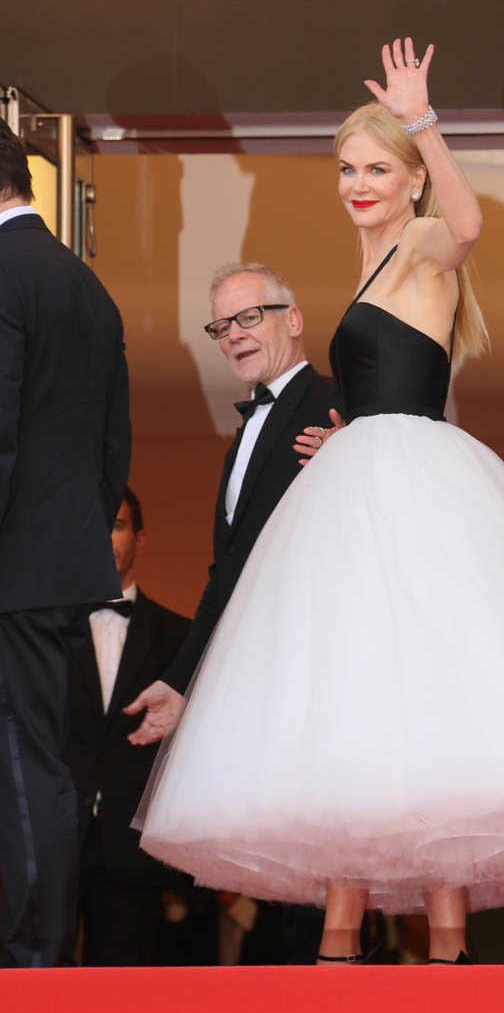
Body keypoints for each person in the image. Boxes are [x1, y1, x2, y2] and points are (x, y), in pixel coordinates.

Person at [136, 39, 504, 965]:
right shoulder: (372, 261)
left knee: (415, 692)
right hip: (365, 477)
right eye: (347, 169)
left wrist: (424, 124)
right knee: (355, 695)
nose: (357, 185)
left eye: (375, 169)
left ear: (410, 182)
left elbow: (468, 224)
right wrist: (353, 434)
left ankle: (424, 950)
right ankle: (363, 945)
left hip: (413, 485)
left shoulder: (422, 242)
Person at [127, 262, 338, 963]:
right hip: (261, 676)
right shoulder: (237, 445)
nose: (234, 335)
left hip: (326, 669)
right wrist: (183, 681)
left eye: (250, 317)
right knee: (280, 862)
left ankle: (335, 991)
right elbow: (226, 580)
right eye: (222, 326)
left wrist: (356, 451)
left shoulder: (343, 405)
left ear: (293, 320)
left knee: (327, 854)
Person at [0, 118, 131, 968]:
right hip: (53, 562)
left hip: (11, 566)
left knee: (20, 763)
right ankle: (39, 951)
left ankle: (30, 959)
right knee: (34, 756)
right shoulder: (85, 283)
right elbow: (114, 444)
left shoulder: (4, 272)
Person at [64, 487, 194, 965]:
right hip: (54, 840)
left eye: (116, 525)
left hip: (133, 850)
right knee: (33, 987)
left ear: (140, 538)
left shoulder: (179, 635)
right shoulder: (42, 632)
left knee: (123, 990)